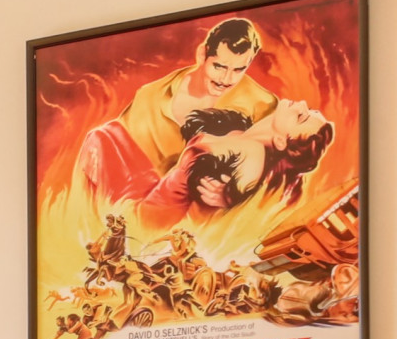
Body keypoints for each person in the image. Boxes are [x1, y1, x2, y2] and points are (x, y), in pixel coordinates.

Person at [74, 17, 281, 207]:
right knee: (100, 137)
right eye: (219, 66)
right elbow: (118, 155)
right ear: (202, 55)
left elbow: (277, 173)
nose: (227, 79)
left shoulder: (263, 104)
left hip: (205, 209)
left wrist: (230, 195)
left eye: (238, 70)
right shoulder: (150, 96)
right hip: (144, 200)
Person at [136, 99, 337, 229]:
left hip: (155, 220)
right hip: (151, 206)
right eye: (310, 110)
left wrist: (228, 196)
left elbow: (232, 197)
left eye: (301, 117)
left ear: (281, 142)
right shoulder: (243, 134)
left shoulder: (252, 155)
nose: (302, 104)